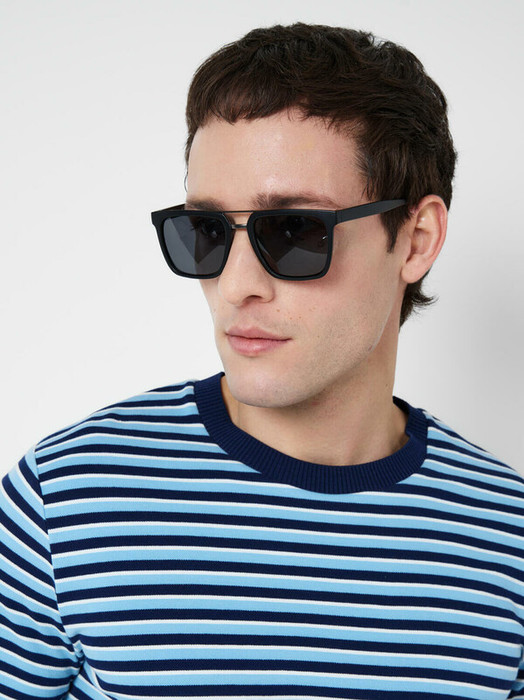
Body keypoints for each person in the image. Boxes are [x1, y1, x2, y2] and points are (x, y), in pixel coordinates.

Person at [1, 22, 523, 700]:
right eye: (207, 231)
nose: (237, 283)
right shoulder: (66, 500)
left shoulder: (507, 539)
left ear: (416, 240)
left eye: (295, 229)